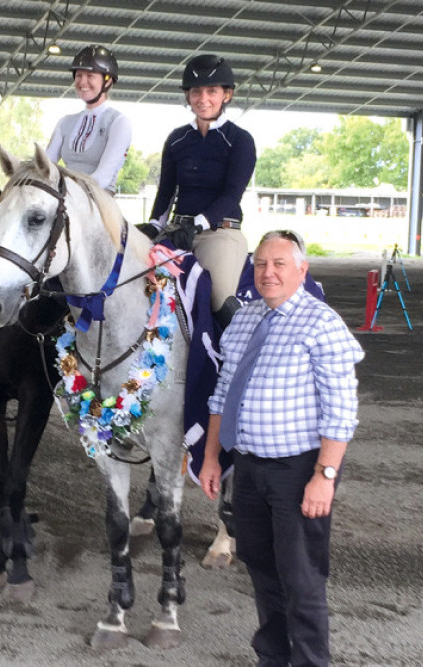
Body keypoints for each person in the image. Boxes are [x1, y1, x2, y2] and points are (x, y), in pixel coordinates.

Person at [199, 230, 364, 666]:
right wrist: (213, 457)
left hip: (299, 471)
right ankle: (272, 657)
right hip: (250, 469)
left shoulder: (320, 321)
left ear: (301, 270)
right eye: (260, 265)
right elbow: (223, 395)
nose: (267, 273)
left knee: (302, 579)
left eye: (279, 264)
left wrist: (324, 476)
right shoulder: (246, 318)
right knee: (262, 569)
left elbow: (341, 410)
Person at [144, 54, 257, 329]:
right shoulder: (177, 138)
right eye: (196, 92)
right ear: (188, 96)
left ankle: (234, 360)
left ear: (226, 95)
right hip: (177, 230)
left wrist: (198, 224)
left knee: (218, 298)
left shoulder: (240, 140)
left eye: (212, 91)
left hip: (219, 233)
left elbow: (232, 195)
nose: (203, 98)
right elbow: (167, 191)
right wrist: (153, 224)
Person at [45, 45, 132, 194]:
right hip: (67, 199)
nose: (82, 82)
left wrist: (66, 190)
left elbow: (103, 177)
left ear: (108, 81)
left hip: (100, 199)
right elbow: (45, 167)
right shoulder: (65, 122)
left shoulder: (118, 122)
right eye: (79, 75)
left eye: (90, 76)